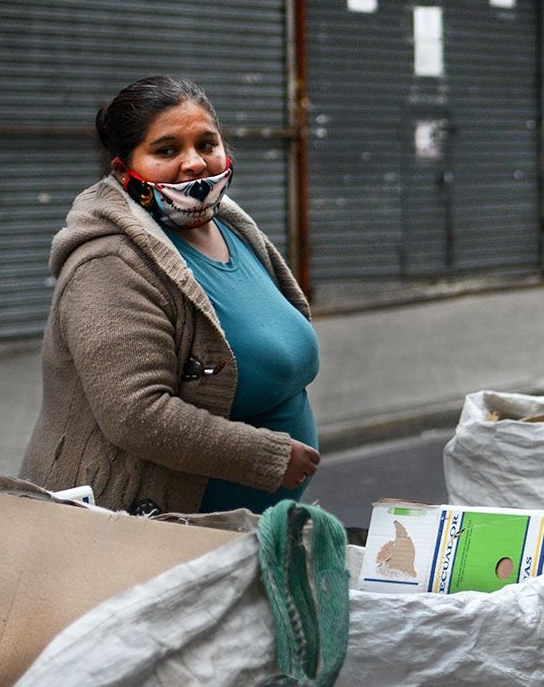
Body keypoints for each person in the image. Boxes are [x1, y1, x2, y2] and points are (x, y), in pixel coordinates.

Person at [20, 76, 321, 516]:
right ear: (124, 170)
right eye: (166, 151)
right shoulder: (109, 264)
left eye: (206, 143)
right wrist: (268, 457)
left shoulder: (230, 225)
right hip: (144, 535)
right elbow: (137, 414)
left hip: (248, 531)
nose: (195, 164)